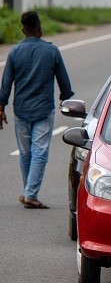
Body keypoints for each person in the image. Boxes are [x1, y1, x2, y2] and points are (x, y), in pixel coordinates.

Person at [0, 11, 74, 209]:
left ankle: (28, 192)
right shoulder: (52, 51)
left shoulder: (15, 52)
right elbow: (64, 81)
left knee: (26, 153)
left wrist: (1, 106)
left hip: (21, 110)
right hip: (43, 110)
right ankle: (30, 193)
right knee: (39, 152)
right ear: (39, 28)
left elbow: (6, 83)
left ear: (24, 30)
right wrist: (65, 99)